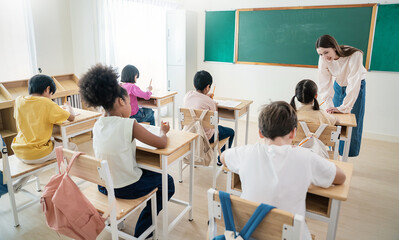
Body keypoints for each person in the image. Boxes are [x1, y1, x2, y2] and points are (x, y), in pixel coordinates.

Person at [221, 101, 346, 240]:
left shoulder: (246, 152)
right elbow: (341, 177)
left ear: (260, 133)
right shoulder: (306, 158)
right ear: (293, 133)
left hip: (249, 234)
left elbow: (222, 157)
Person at [79, 64, 174, 238]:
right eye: (129, 102)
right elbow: (161, 143)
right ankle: (143, 232)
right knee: (167, 181)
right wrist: (163, 132)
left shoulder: (97, 124)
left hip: (104, 186)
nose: (131, 106)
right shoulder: (129, 124)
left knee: (142, 168)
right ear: (121, 101)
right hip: (125, 188)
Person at [316, 34, 366, 157]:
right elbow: (324, 83)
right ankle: (334, 152)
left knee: (351, 122)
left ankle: (347, 155)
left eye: (326, 52)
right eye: (321, 54)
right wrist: (329, 105)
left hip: (357, 86)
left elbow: (354, 83)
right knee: (333, 120)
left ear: (334, 47)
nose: (324, 57)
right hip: (338, 85)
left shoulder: (355, 55)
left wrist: (344, 107)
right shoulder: (323, 59)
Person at [11, 74, 76, 164]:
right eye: (51, 94)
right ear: (47, 89)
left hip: (19, 151)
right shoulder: (47, 103)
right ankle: (66, 175)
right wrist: (68, 107)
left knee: (54, 140)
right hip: (37, 153)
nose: (50, 97)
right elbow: (72, 117)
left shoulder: (19, 100)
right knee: (72, 147)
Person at [184, 70, 234, 166]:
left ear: (194, 85)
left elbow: (198, 98)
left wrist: (206, 96)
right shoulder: (210, 102)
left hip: (190, 133)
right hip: (206, 138)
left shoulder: (187, 95)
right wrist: (211, 101)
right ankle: (221, 159)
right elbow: (215, 123)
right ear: (207, 87)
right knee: (231, 132)